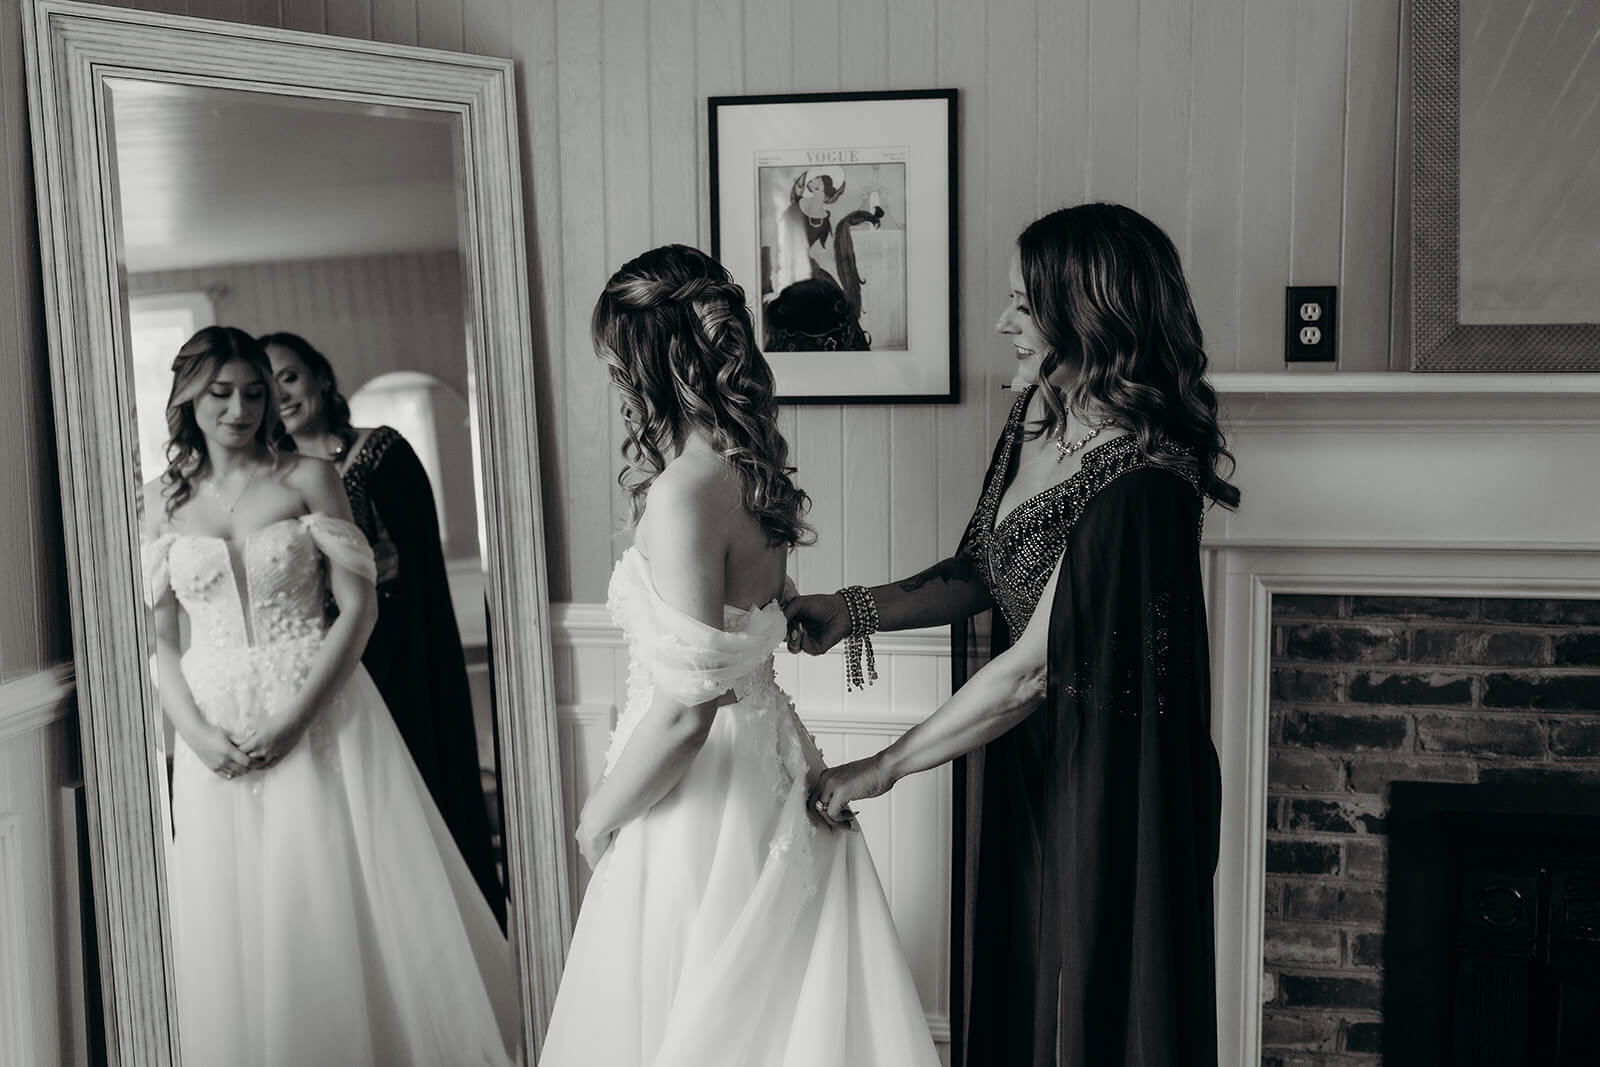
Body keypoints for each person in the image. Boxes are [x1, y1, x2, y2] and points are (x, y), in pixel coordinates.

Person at [786, 203, 1238, 1067]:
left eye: (1024, 305)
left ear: (1088, 310)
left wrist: (881, 765)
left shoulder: (1145, 479)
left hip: (1116, 781)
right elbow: (983, 571)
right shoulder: (1037, 414)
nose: (1004, 323)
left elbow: (1035, 668)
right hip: (1032, 761)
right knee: (1021, 996)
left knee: (1095, 1014)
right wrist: (851, 609)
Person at [538, 245, 939, 1067]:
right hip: (771, 766)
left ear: (649, 358)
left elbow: (688, 708)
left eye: (617, 359)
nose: (614, 378)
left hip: (701, 789)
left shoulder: (685, 490)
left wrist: (598, 813)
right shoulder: (752, 467)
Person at [139, 326, 518, 1066]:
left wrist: (295, 718)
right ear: (189, 397)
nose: (241, 407)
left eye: (255, 391)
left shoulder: (308, 476)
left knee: (336, 891)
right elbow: (159, 641)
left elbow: (360, 608)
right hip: (214, 729)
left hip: (322, 709)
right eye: (221, 393)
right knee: (242, 910)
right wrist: (195, 734)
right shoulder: (160, 503)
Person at [260, 330, 505, 925]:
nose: (280, 392)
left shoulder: (381, 450)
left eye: (289, 375)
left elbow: (413, 562)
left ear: (320, 376)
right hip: (319, 661)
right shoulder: (274, 482)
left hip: (402, 650)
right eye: (267, 384)